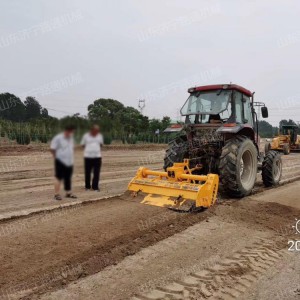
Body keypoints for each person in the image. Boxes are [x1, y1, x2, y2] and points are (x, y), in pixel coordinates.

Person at [50, 125, 77, 200]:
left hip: (69, 161)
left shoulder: (71, 138)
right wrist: (56, 157)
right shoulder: (58, 138)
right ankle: (56, 194)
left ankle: (68, 193)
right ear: (67, 131)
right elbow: (52, 148)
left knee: (68, 177)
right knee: (58, 177)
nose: (72, 133)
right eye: (72, 132)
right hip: (60, 160)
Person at [81, 125, 103, 191]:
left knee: (96, 173)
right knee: (87, 172)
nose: (97, 132)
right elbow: (83, 145)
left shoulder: (99, 136)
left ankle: (95, 187)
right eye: (95, 130)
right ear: (92, 130)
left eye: (98, 131)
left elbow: (101, 144)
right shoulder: (86, 136)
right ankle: (87, 186)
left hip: (97, 157)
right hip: (88, 157)